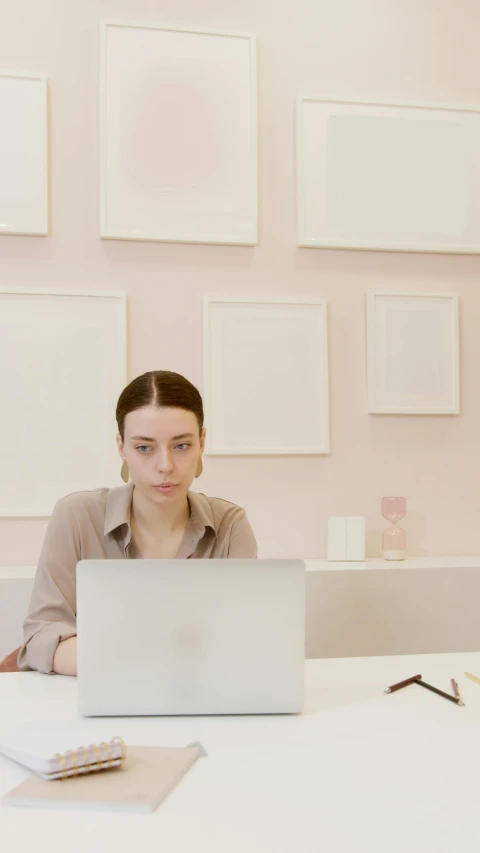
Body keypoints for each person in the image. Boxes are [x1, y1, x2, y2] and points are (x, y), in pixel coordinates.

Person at [17, 370, 257, 676]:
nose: (165, 466)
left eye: (181, 445)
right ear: (121, 447)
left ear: (202, 442)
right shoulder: (77, 515)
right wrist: (154, 660)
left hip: (199, 701)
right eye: (144, 447)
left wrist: (129, 654)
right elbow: (41, 638)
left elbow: (248, 639)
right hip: (100, 703)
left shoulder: (230, 524)